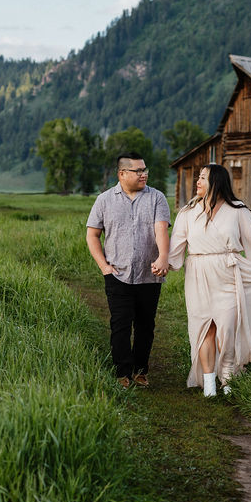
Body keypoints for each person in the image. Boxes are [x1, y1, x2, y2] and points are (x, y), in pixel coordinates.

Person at [168, 163, 251, 397]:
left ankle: (227, 377)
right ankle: (209, 383)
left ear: (217, 182)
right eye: (198, 177)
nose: (198, 181)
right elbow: (176, 247)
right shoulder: (188, 212)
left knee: (227, 328)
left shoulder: (237, 210)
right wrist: (165, 264)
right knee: (204, 328)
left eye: (204, 178)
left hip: (228, 272)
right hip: (198, 274)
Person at [86, 152, 171, 388]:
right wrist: (104, 266)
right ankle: (121, 372)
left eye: (145, 170)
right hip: (117, 274)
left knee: (145, 325)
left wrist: (163, 257)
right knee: (120, 324)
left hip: (149, 274)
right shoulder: (104, 200)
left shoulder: (157, 198)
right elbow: (92, 235)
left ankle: (140, 371)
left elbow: (161, 230)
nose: (144, 174)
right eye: (138, 171)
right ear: (122, 174)